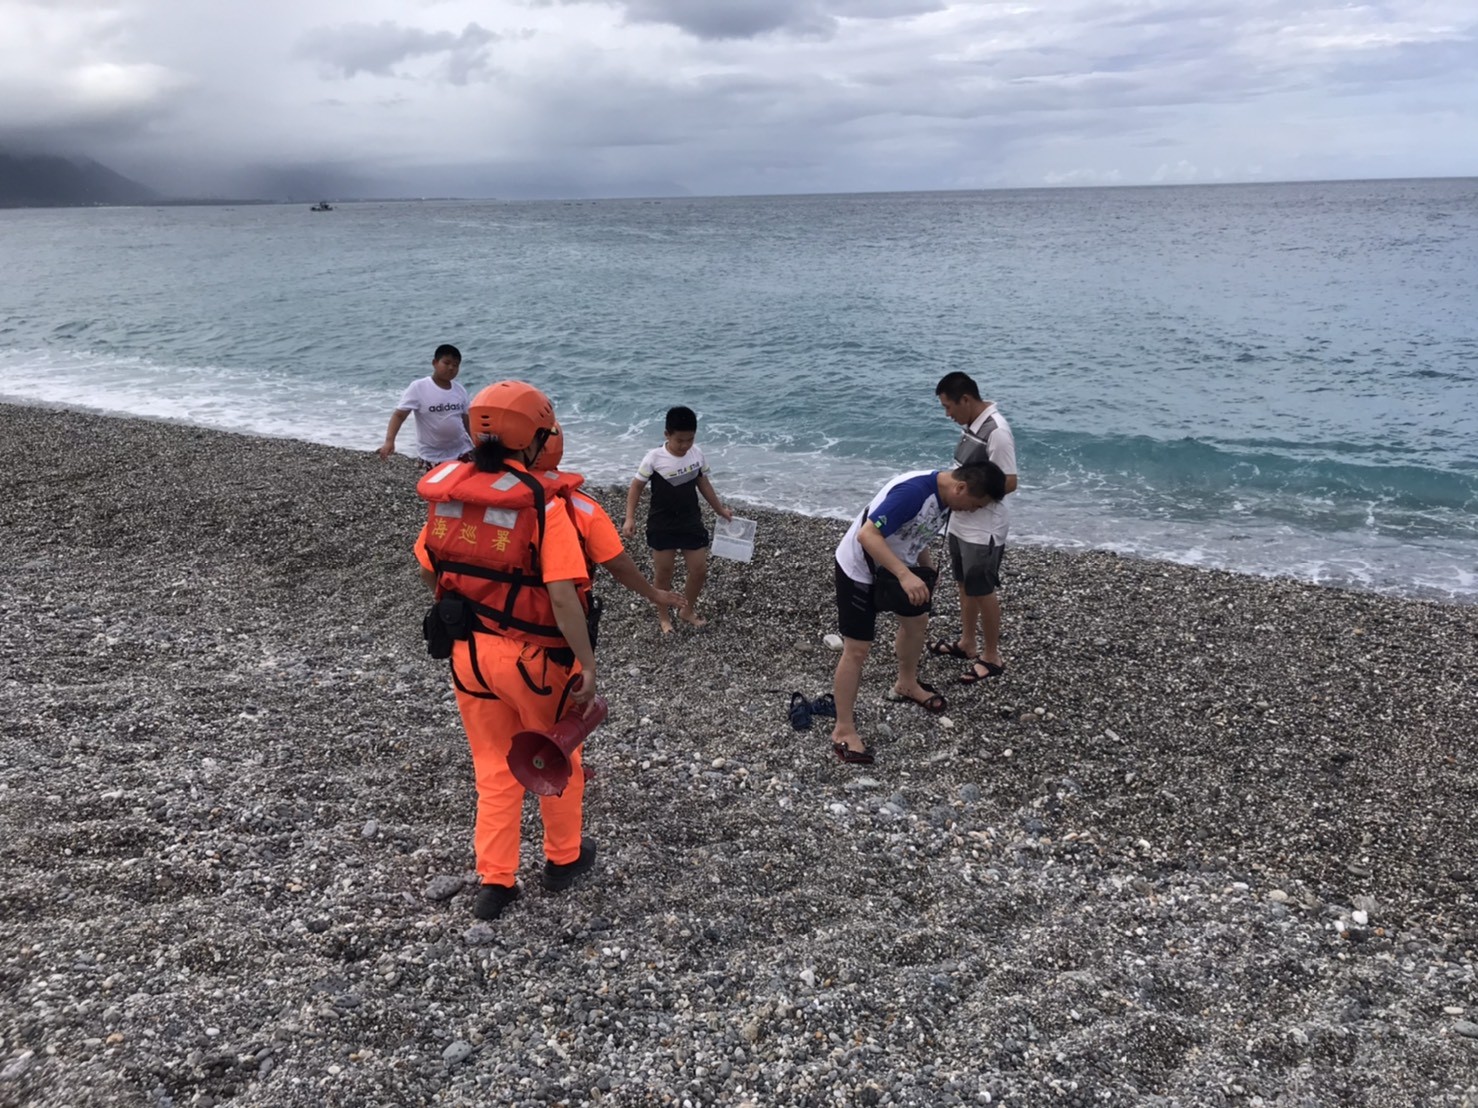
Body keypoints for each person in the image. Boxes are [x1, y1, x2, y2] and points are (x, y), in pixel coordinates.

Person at [414, 380, 598, 921]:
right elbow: (563, 597)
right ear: (538, 438)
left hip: (468, 656)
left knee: (493, 766)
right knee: (557, 752)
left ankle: (497, 881)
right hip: (535, 661)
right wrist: (587, 664)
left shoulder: (453, 493)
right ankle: (563, 860)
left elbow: (430, 566)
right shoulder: (543, 504)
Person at [830, 463, 1007, 764]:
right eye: (975, 506)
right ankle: (843, 729)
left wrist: (923, 568)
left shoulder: (947, 496)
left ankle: (907, 683)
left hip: (899, 567)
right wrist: (905, 575)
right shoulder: (913, 493)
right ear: (961, 488)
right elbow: (867, 535)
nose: (972, 512)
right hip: (859, 569)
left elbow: (917, 532)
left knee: (917, 625)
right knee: (857, 649)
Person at [530, 419, 688, 622]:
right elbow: (617, 564)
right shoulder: (582, 508)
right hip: (550, 620)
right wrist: (654, 593)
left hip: (486, 622)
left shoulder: (480, 499)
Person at [932, 372, 1019, 683]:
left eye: (948, 407)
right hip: (960, 524)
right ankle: (967, 643)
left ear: (965, 399)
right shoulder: (972, 425)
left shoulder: (997, 431)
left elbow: (1009, 481)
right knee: (964, 585)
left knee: (983, 590)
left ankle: (992, 656)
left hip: (984, 529)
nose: (947, 414)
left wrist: (972, 502)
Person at [620, 405, 733, 633]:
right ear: (667, 435)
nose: (685, 446)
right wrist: (629, 517)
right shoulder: (654, 458)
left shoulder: (697, 454)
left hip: (690, 520)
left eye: (690, 440)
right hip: (662, 524)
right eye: (679, 440)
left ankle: (686, 610)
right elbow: (636, 487)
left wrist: (720, 509)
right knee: (664, 573)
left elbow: (703, 484)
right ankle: (664, 617)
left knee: (699, 569)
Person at [377, 344, 475, 469]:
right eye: (446, 363)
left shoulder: (459, 389)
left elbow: (467, 422)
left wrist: (478, 444)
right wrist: (389, 441)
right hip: (432, 456)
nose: (451, 368)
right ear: (434, 363)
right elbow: (399, 415)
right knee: (438, 487)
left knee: (465, 485)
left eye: (455, 365)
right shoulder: (419, 387)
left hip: (463, 450)